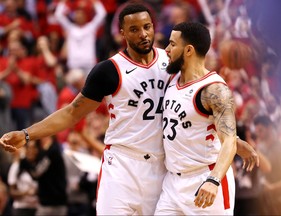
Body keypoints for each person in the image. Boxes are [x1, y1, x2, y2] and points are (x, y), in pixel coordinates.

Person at [0, 3, 259, 215]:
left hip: (161, 169)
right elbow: (71, 112)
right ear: (122, 33)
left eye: (147, 27)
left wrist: (232, 139)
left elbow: (193, 108)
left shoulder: (171, 64)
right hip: (121, 165)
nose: (143, 34)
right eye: (134, 29)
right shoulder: (108, 71)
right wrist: (26, 134)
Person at [154, 21, 237, 215]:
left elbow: (229, 141)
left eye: (173, 44)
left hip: (205, 179)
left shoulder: (214, 89)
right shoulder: (172, 79)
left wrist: (214, 180)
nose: (167, 49)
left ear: (189, 50)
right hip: (172, 182)